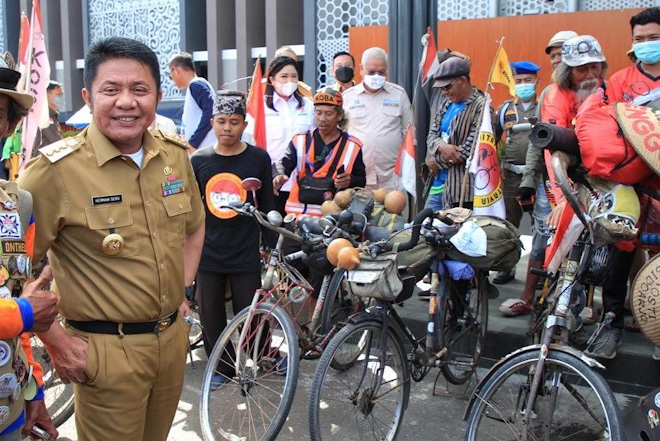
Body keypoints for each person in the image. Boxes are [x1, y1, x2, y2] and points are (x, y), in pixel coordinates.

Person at [18, 37, 206, 440]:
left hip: (173, 343)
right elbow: (10, 271)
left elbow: (193, 226)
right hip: (104, 352)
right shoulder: (53, 172)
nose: (126, 102)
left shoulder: (174, 156)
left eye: (140, 90)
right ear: (88, 96)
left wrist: (182, 288)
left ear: (158, 94)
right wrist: (54, 341)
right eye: (111, 90)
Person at [586, 7, 660, 360]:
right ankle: (611, 321)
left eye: (654, 38)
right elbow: (603, 125)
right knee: (619, 247)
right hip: (628, 180)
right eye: (640, 39)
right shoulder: (619, 81)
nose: (647, 44)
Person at [190, 91, 275, 386]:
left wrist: (270, 246)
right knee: (210, 314)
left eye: (234, 122)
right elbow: (192, 211)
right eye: (222, 121)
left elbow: (268, 206)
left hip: (245, 251)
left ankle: (263, 355)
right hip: (208, 252)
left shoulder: (258, 158)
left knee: (252, 311)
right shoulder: (198, 161)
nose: (227, 128)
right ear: (212, 122)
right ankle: (221, 367)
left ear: (244, 123)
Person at [0, 58, 59, 441]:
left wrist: (33, 388)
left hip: (8, 410)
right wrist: (23, 311)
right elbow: (24, 309)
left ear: (9, 125)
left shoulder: (16, 204)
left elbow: (21, 293)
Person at [505, 30, 578, 317]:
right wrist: (528, 182)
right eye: (554, 55)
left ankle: (571, 304)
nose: (558, 59)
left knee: (579, 245)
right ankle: (528, 296)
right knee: (540, 239)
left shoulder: (599, 89)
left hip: (585, 181)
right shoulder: (548, 94)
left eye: (564, 53)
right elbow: (539, 140)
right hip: (550, 183)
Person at [273, 89, 366, 218]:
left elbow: (361, 180)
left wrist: (350, 180)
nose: (322, 119)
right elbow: (283, 164)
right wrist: (279, 175)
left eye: (328, 114)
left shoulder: (353, 146)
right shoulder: (300, 140)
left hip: (334, 220)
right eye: (318, 113)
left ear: (339, 116)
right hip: (298, 217)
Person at [491, 61, 540, 286]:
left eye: (527, 81)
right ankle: (507, 267)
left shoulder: (544, 107)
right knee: (510, 224)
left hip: (538, 177)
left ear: (536, 81)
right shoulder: (506, 109)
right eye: (518, 81)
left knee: (540, 225)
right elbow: (491, 136)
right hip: (510, 176)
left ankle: (540, 272)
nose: (523, 85)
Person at [248, 56, 314, 215]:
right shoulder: (261, 107)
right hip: (270, 181)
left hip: (301, 182)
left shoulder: (308, 105)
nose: (289, 81)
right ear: (272, 79)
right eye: (284, 76)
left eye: (294, 76)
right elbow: (251, 140)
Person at [343, 47, 414, 191]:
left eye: (381, 72)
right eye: (371, 72)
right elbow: (339, 136)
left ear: (387, 71)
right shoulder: (347, 97)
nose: (376, 76)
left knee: (395, 214)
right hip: (358, 178)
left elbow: (410, 134)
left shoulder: (398, 94)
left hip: (392, 179)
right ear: (361, 69)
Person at [426, 57, 491, 209]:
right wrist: (442, 147)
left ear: (463, 80)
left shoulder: (482, 107)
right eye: (441, 88)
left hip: (463, 190)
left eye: (447, 87)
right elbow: (431, 136)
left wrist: (436, 160)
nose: (444, 92)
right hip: (437, 186)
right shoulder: (446, 103)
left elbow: (468, 152)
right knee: (425, 228)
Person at [168, 51, 216, 150]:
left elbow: (210, 112)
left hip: (203, 151)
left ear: (176, 71)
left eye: (170, 75)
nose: (172, 80)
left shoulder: (196, 85)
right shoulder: (196, 85)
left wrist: (194, 143)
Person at [34, 81, 64, 154]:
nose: (61, 98)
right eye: (58, 95)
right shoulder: (44, 116)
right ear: (47, 95)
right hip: (44, 162)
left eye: (62, 95)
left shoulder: (53, 115)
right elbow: (57, 141)